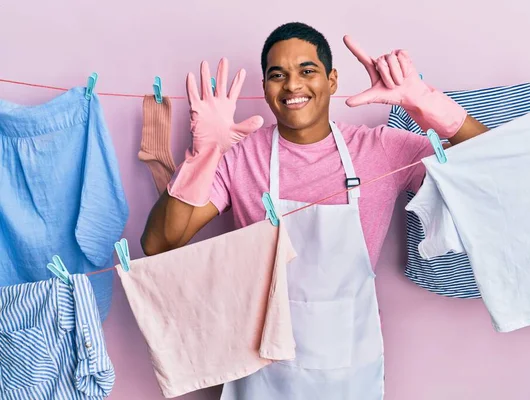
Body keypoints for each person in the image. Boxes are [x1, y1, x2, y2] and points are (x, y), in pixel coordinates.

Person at [141, 21, 488, 400]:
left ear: (332, 80)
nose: (292, 85)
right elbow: (160, 244)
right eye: (278, 75)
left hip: (348, 368)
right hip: (261, 372)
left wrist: (428, 105)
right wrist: (202, 156)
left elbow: (486, 173)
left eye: (307, 70)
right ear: (265, 89)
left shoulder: (381, 150)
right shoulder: (240, 158)